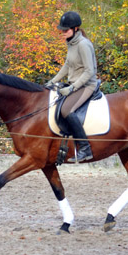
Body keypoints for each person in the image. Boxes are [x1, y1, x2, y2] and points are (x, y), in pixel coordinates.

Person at [46, 11, 98, 162]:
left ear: (75, 29)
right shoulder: (71, 43)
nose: (62, 32)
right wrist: (52, 81)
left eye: (65, 30)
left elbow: (89, 71)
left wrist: (72, 87)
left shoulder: (83, 45)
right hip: (75, 84)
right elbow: (67, 66)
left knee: (67, 110)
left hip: (87, 85)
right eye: (61, 30)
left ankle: (85, 148)